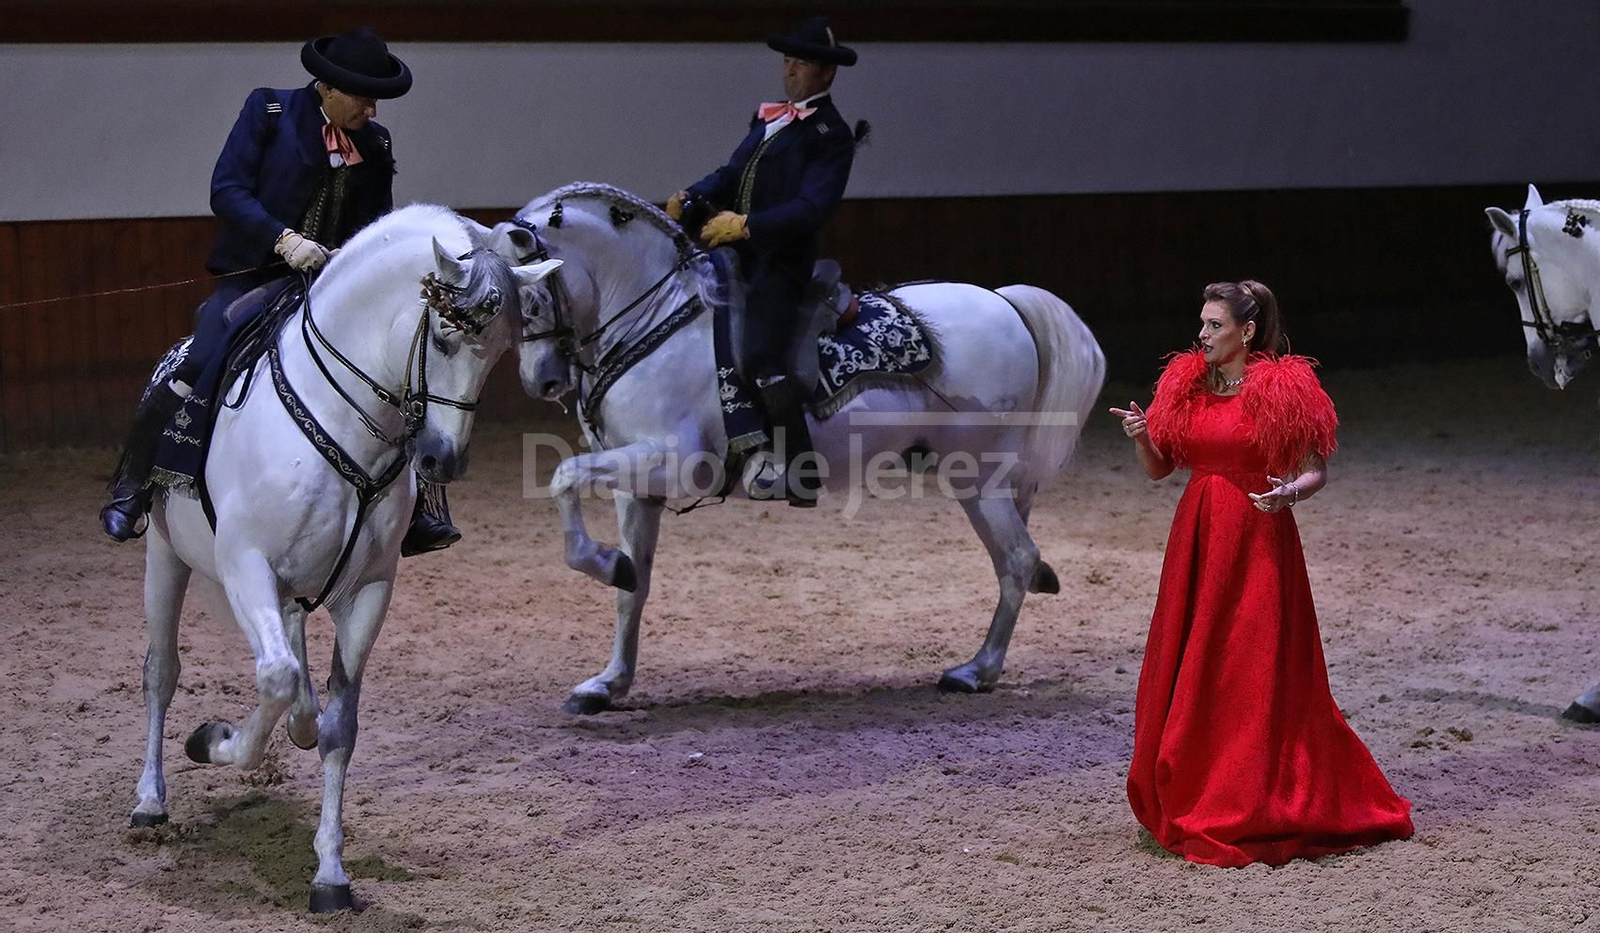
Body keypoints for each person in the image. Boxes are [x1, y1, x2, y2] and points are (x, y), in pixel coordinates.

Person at [100, 27, 457, 555]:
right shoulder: (268, 113)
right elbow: (227, 190)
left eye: (375, 99)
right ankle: (137, 482)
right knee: (200, 356)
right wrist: (283, 239)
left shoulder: (375, 144)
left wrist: (353, 258)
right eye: (363, 98)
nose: (372, 110)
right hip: (257, 275)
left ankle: (421, 507)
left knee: (409, 363)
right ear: (328, 89)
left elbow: (375, 221)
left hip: (333, 284)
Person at [1109, 280, 1413, 867]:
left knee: (1249, 668)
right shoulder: (1185, 384)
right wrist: (1143, 436)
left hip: (1258, 535)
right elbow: (1158, 470)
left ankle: (1251, 792)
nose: (1200, 335)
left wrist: (1290, 493)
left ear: (1246, 332)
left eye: (1212, 325)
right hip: (1197, 535)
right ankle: (1192, 784)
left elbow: (1314, 470)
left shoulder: (1284, 388)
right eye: (1199, 323)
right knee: (1194, 661)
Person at [664, 15, 858, 506]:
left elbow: (811, 208)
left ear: (827, 75)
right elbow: (731, 173)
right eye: (788, 62)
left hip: (780, 262)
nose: (790, 72)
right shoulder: (768, 119)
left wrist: (748, 225)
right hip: (736, 256)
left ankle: (800, 467)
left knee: (761, 357)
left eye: (802, 64)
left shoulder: (829, 135)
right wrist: (692, 195)